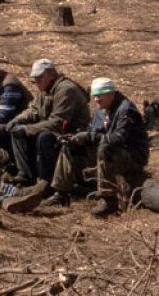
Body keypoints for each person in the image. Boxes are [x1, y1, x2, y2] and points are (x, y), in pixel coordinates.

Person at [58, 78, 151, 217]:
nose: (96, 99)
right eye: (95, 96)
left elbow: (118, 138)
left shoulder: (126, 109)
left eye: (100, 95)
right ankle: (61, 192)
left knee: (106, 148)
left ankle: (109, 200)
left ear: (111, 94)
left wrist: (91, 137)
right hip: (111, 151)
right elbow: (94, 132)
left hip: (133, 156)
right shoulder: (99, 111)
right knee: (70, 147)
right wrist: (77, 139)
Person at [4, 58, 90, 193]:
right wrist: (17, 120)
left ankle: (47, 184)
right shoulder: (45, 89)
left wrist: (27, 129)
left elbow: (58, 123)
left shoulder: (66, 90)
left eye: (40, 77)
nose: (37, 81)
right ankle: (26, 177)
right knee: (17, 132)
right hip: (54, 129)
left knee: (44, 137)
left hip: (72, 135)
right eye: (35, 78)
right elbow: (33, 110)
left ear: (51, 74)